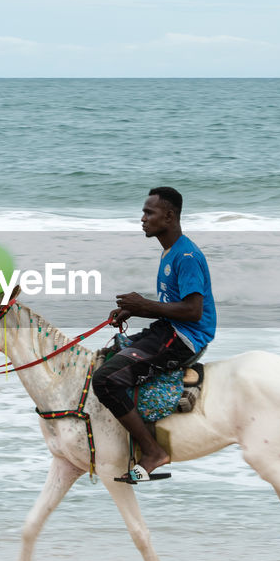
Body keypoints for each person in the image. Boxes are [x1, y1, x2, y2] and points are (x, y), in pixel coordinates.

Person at [94, 186, 216, 483]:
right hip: (170, 329)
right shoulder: (169, 250)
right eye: (144, 212)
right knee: (109, 354)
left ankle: (152, 452)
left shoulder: (186, 256)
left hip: (186, 337)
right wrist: (134, 311)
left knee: (105, 380)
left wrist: (144, 305)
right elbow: (171, 303)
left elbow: (193, 311)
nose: (143, 218)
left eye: (150, 212)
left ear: (169, 216)